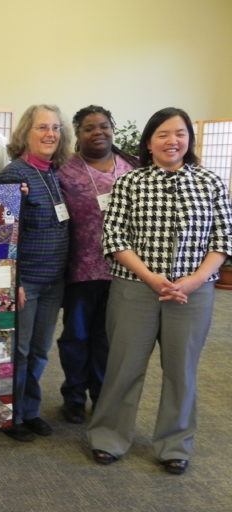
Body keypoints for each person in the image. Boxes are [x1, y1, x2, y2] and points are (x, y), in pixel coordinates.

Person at [88, 107, 232, 475]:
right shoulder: (130, 183)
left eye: (180, 133)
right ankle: (109, 437)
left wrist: (196, 279)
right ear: (149, 143)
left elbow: (223, 240)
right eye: (163, 134)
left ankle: (174, 444)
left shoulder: (211, 183)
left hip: (192, 294)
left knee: (181, 371)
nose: (173, 141)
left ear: (190, 139)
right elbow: (114, 238)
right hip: (135, 289)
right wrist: (152, 278)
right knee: (124, 366)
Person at [55, 106, 138, 424]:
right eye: (89, 128)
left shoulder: (132, 166)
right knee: (75, 336)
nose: (98, 132)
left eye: (103, 126)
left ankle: (101, 394)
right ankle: (74, 396)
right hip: (79, 269)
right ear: (77, 134)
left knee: (107, 338)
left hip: (123, 270)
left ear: (112, 128)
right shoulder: (65, 170)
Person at [0, 104, 72, 442]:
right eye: (42, 127)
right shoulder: (13, 175)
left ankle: (30, 410)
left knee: (41, 351)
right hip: (26, 281)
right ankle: (12, 415)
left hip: (54, 281)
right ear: (26, 132)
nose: (50, 134)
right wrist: (13, 280)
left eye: (55, 128)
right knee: (21, 352)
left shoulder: (55, 174)